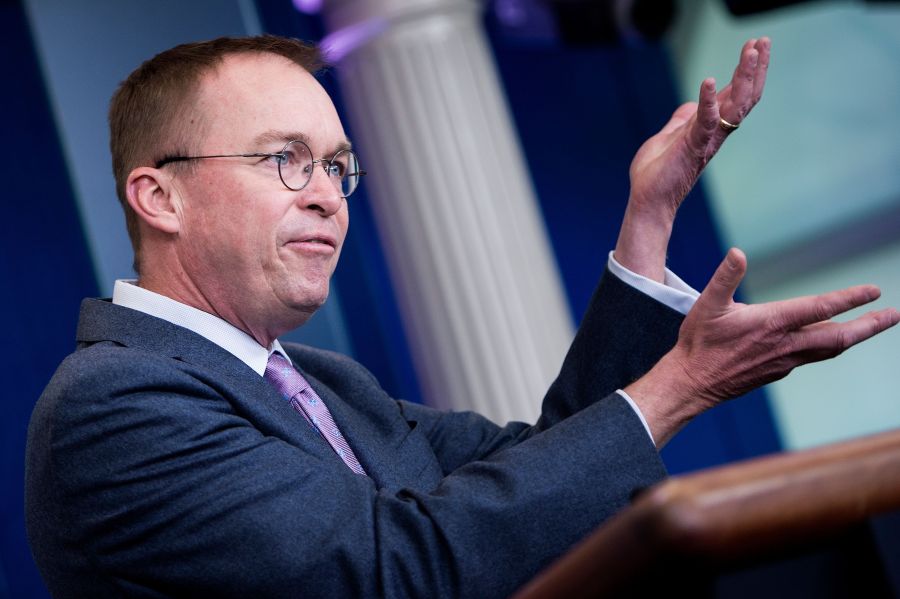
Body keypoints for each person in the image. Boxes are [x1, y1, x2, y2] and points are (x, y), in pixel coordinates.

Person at [25, 34, 897, 598]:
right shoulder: (113, 404)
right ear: (159, 195)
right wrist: (678, 388)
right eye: (286, 159)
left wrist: (648, 220)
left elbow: (542, 470)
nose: (329, 196)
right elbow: (397, 573)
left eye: (337, 166)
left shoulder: (321, 380)